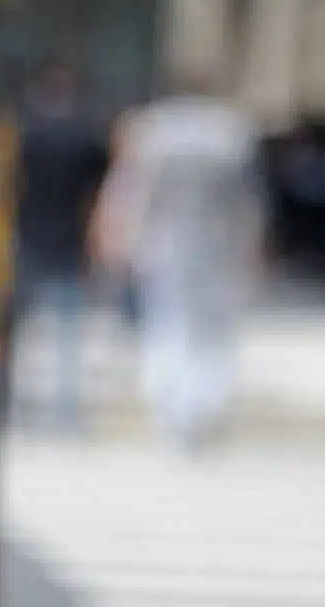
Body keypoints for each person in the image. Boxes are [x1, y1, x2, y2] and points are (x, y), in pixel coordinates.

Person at [93, 73, 267, 450]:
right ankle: (199, 407)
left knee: (167, 323)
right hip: (218, 246)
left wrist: (119, 238)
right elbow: (249, 201)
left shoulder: (153, 131)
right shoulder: (230, 132)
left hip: (165, 245)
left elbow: (130, 192)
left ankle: (174, 408)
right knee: (209, 330)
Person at [9, 61, 109, 432]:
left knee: (18, 332)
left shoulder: (24, 134)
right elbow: (96, 194)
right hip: (69, 240)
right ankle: (65, 411)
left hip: (28, 238)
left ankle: (14, 404)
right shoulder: (83, 136)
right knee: (67, 333)